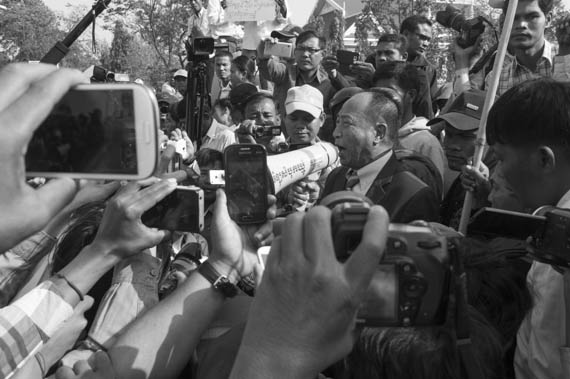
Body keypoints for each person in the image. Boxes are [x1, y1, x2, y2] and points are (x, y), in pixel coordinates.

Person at [484, 79, 570, 379]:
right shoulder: (554, 225)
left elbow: (546, 363)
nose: (499, 172)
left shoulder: (562, 247)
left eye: (501, 157)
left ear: (544, 160)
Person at [321, 90, 440, 223]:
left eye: (346, 123)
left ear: (379, 133)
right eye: (337, 123)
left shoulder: (413, 194)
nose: (335, 133)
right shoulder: (336, 177)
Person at [453, 0, 555, 97]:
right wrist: (463, 63)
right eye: (513, 17)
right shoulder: (495, 79)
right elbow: (470, 108)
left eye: (532, 17)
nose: (521, 25)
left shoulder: (563, 61)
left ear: (548, 19)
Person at [257, 30, 342, 135]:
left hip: (315, 144)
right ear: (295, 51)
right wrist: (263, 56)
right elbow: (269, 70)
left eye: (311, 50)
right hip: (284, 140)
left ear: (323, 54)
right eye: (301, 49)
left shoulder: (329, 82)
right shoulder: (285, 72)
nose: (305, 54)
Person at [373, 61, 446, 180]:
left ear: (411, 95)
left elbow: (433, 191)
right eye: (378, 93)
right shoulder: (374, 135)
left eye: (390, 92)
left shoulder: (425, 143)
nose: (383, 99)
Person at [400, 15, 437, 119]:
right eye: (422, 37)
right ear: (405, 34)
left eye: (428, 40)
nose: (426, 44)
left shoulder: (429, 70)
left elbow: (430, 106)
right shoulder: (379, 60)